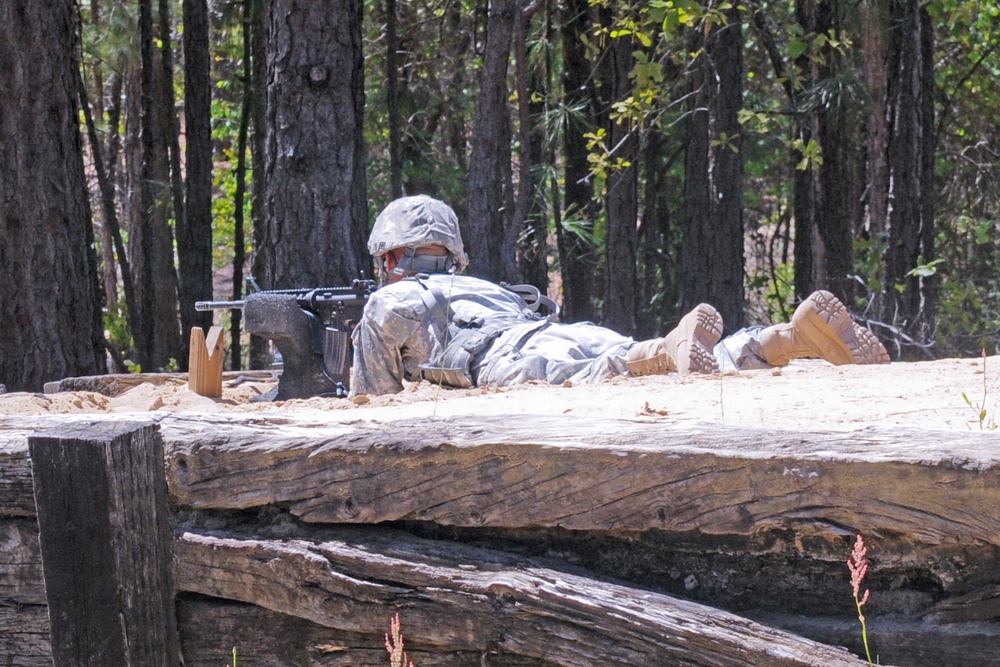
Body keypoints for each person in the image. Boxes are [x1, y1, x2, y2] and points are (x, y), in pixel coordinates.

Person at [350, 195, 889, 396]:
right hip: (557, 331)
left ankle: (673, 346)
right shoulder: (487, 287)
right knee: (646, 352)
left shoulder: (389, 303)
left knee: (613, 372)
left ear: (391, 257)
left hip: (503, 357)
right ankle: (783, 338)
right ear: (451, 252)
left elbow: (371, 401)